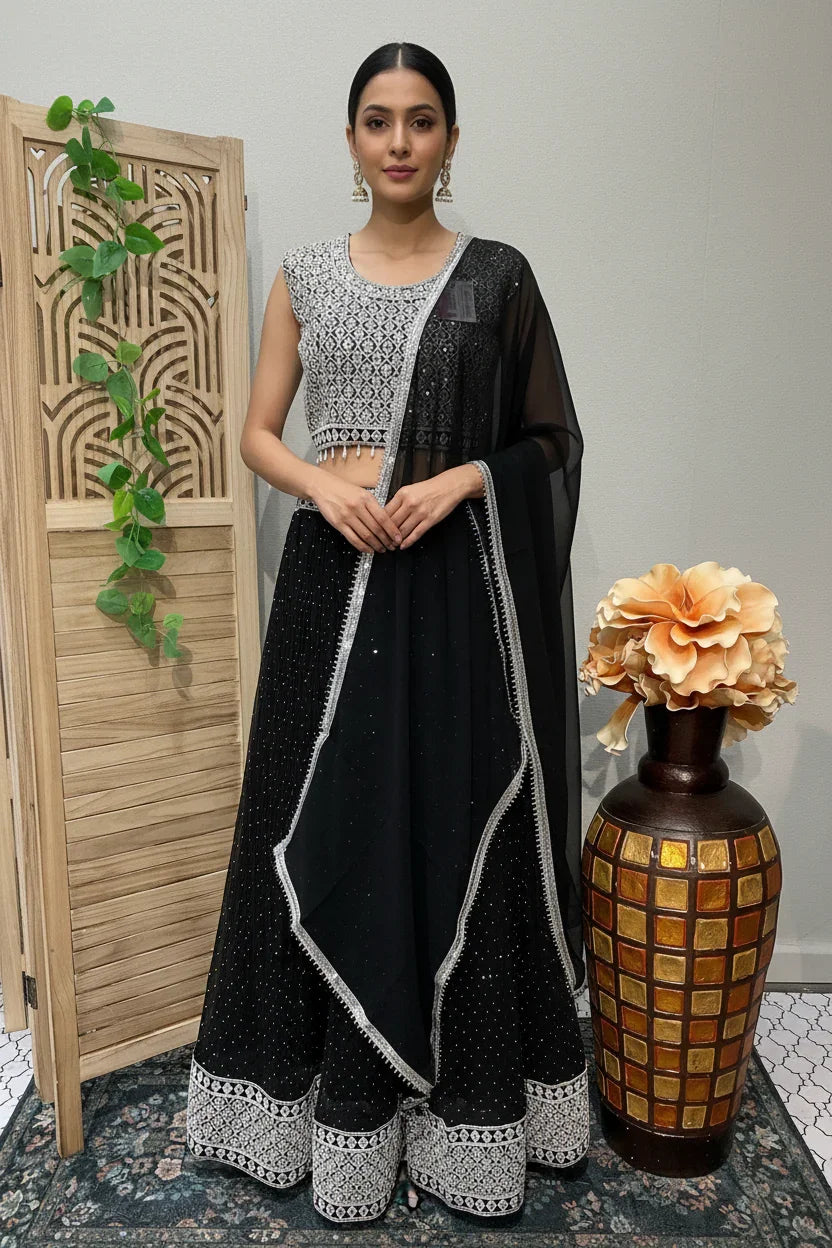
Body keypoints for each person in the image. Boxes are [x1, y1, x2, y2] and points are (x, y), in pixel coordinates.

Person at [186, 39, 589, 1224]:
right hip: (334, 579)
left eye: (420, 120)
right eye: (377, 119)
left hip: (451, 586)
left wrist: (463, 478)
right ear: (353, 138)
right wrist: (323, 487)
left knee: (453, 815)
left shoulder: (497, 278)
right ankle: (325, 1106)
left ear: (450, 139)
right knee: (318, 816)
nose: (399, 141)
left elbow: (550, 442)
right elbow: (257, 433)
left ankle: (467, 1111)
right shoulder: (306, 273)